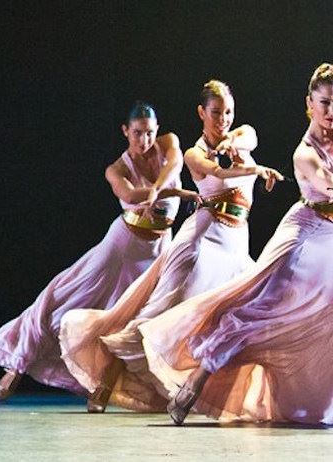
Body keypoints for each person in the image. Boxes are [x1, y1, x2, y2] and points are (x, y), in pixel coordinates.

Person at [142, 64, 333, 426]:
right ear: (309, 104)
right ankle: (195, 383)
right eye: (325, 103)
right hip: (303, 241)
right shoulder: (304, 154)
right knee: (255, 314)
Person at [59, 80, 283, 413]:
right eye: (216, 113)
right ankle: (107, 377)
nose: (223, 119)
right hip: (203, 240)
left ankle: (216, 394)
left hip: (237, 242)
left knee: (238, 317)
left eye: (228, 112)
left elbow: (246, 135)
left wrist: (232, 142)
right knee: (158, 312)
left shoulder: (243, 135)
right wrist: (253, 167)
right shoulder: (194, 153)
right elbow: (215, 170)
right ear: (201, 113)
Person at [0, 101, 199, 401]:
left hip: (159, 247)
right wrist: (166, 192)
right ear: (126, 131)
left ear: (157, 129)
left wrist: (159, 188)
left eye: (149, 132)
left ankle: (102, 387)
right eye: (137, 133)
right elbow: (131, 195)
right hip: (122, 249)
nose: (145, 140)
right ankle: (16, 365)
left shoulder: (169, 143)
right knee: (64, 300)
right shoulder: (117, 169)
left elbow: (173, 165)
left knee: (127, 321)